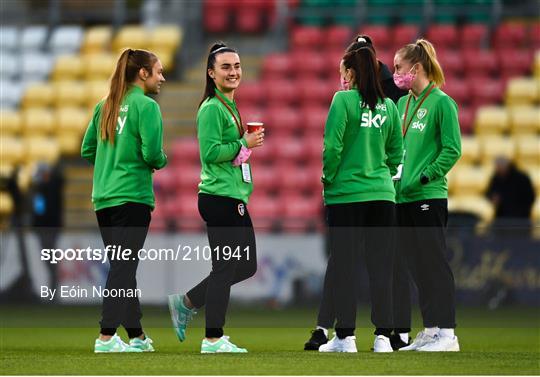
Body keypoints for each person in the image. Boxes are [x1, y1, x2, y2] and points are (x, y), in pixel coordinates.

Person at [305, 35, 409, 352]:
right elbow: (397, 153)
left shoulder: (342, 101)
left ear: (350, 73)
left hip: (346, 195)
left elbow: (332, 148)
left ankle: (345, 337)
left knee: (345, 267)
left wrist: (328, 178)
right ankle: (382, 337)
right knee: (381, 269)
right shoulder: (390, 106)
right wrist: (380, 172)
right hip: (381, 194)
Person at [167, 43, 264, 354]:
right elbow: (209, 154)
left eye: (236, 66)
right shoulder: (211, 108)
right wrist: (243, 143)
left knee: (246, 266)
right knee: (224, 267)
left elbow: (230, 153)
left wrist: (244, 145)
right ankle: (212, 338)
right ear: (211, 73)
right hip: (219, 197)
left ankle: (187, 302)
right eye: (225, 67)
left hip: (233, 197)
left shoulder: (229, 106)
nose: (233, 71)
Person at [81, 48, 167, 353]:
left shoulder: (104, 106)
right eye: (158, 71)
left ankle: (137, 336)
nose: (162, 77)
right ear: (142, 73)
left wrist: (110, 165)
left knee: (122, 266)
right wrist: (160, 161)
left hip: (103, 199)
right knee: (123, 267)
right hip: (132, 196)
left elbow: (88, 150)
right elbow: (152, 154)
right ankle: (105, 336)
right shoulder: (147, 106)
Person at [393, 39, 462, 352]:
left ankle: (448, 334)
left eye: (398, 67)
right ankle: (431, 329)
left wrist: (424, 175)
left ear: (415, 68)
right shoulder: (401, 104)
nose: (395, 73)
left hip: (428, 195)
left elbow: (453, 149)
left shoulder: (442, 103)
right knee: (416, 265)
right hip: (401, 197)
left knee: (434, 263)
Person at [31, 162, 64, 296]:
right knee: (50, 259)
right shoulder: (49, 188)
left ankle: (53, 291)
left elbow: (40, 211)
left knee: (50, 259)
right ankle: (53, 290)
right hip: (49, 228)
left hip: (47, 229)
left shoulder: (45, 189)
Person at [486, 156, 536, 236]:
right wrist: (493, 198)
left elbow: (530, 197)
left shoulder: (522, 178)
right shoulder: (496, 178)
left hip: (521, 221)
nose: (497, 169)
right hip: (502, 220)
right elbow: (489, 193)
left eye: (499, 167)